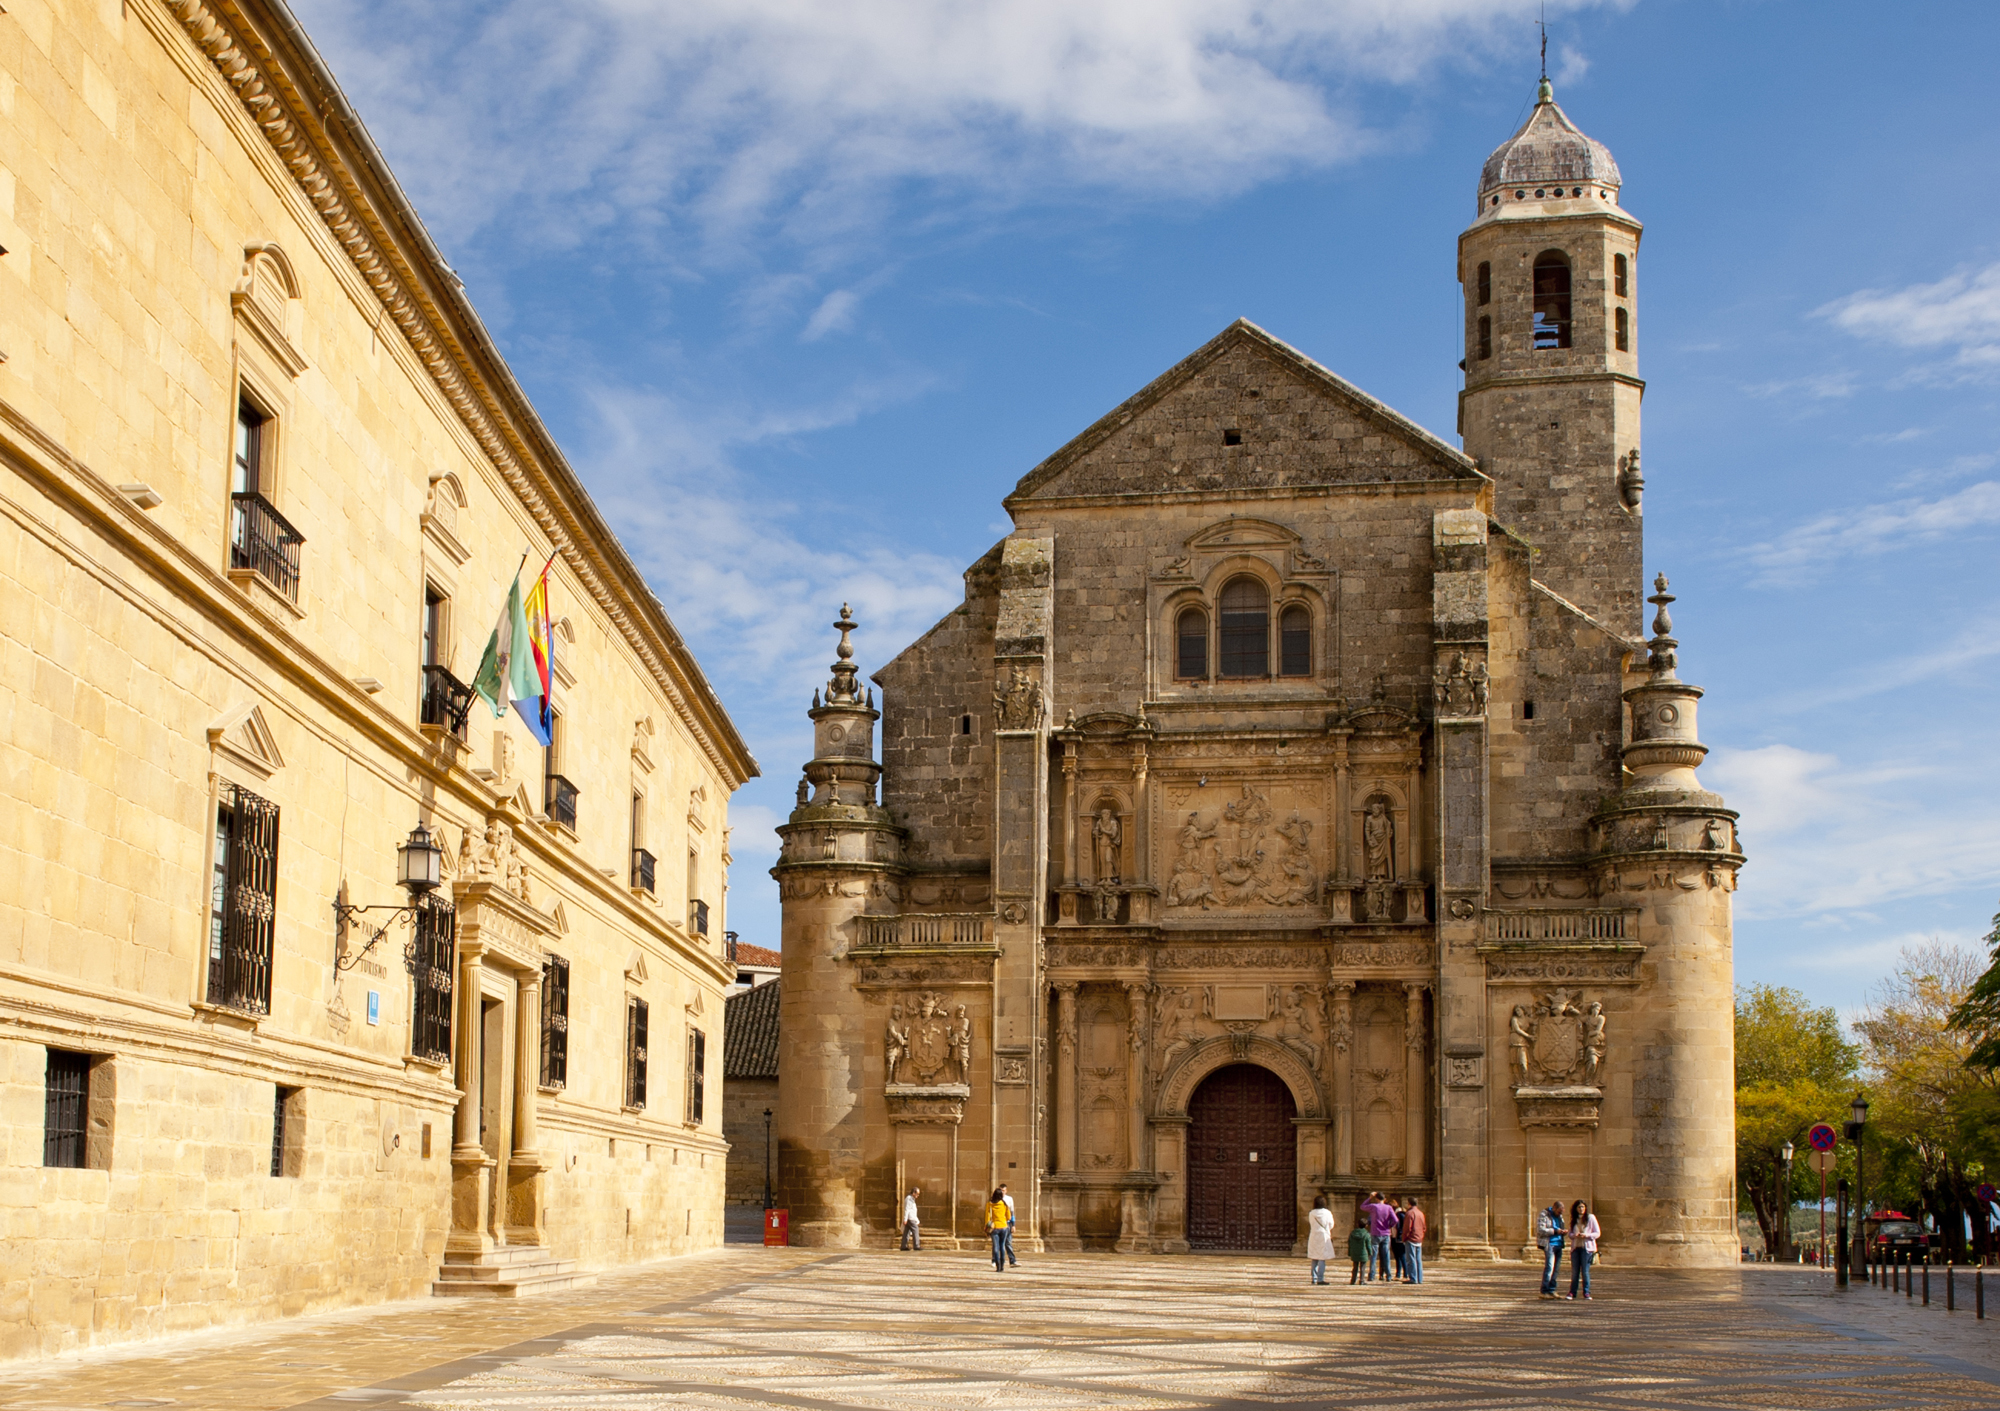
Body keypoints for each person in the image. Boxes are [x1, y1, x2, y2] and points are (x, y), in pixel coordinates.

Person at [1567, 1199, 1600, 1300]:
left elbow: (1597, 1233)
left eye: (1583, 1207)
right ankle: (1572, 1292)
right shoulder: (1574, 1219)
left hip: (1587, 1249)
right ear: (1576, 1209)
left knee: (1585, 1271)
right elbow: (1570, 1234)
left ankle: (1586, 1292)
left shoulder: (1591, 1218)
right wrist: (1574, 1235)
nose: (1581, 1209)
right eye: (1579, 1207)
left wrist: (1586, 1235)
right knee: (1575, 1271)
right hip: (1576, 1248)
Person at [1367, 1192, 1399, 1283]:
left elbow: (1362, 1206)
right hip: (1386, 1233)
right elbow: (1396, 1220)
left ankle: (1372, 1275)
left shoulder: (1373, 1207)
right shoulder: (1388, 1207)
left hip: (1375, 1233)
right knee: (1386, 1255)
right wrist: (1389, 1225)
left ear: (1376, 1199)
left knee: (1373, 1256)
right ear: (1384, 1199)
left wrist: (1370, 1197)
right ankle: (1388, 1275)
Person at [1537, 1200, 1567, 1297]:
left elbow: (1560, 1227)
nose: (1560, 1214)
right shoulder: (1544, 1214)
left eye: (1561, 1212)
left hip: (1559, 1243)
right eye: (1558, 1211)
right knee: (1549, 1267)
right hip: (1549, 1243)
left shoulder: (1559, 1216)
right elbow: (1540, 1230)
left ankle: (1552, 1289)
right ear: (1554, 1208)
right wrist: (1555, 1231)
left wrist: (1563, 1232)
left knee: (1556, 1268)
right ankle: (1544, 1291)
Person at [1306, 1194, 1336, 1285]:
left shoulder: (1311, 1213)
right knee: (1322, 1258)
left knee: (1314, 1257)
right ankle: (1320, 1278)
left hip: (1314, 1235)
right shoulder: (1327, 1213)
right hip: (1323, 1235)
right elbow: (1331, 1224)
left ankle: (1314, 1278)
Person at [985, 1188, 1011, 1272]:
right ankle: (1002, 1265)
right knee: (1002, 1246)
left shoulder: (990, 1204)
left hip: (995, 1227)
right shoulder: (1004, 1204)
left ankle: (998, 1265)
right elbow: (1009, 1217)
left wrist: (986, 1228)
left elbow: (987, 1218)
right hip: (1004, 1226)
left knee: (996, 1247)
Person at [1401, 1197, 1427, 1284]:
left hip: (1411, 1238)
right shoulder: (1420, 1213)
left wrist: (1404, 1237)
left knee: (1411, 1259)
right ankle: (1420, 1278)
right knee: (1418, 1259)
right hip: (1419, 1238)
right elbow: (1424, 1227)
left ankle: (1413, 1278)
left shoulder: (1410, 1213)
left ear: (1409, 1203)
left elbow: (1407, 1228)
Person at [1347, 1209, 1373, 1285]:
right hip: (1363, 1253)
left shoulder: (1352, 1233)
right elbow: (1368, 1245)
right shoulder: (1366, 1234)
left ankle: (1353, 1280)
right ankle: (1361, 1280)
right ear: (1366, 1225)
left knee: (1355, 1267)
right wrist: (1370, 1252)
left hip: (1354, 1253)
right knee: (1362, 1268)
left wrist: (1349, 1252)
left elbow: (1350, 1243)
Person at [999, 1182, 1019, 1266]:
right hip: (999, 1224)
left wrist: (1013, 1225)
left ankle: (1012, 1260)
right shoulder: (996, 1199)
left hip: (1007, 1224)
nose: (1002, 1192)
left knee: (1008, 1242)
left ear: (1006, 1190)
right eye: (1000, 1190)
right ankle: (997, 1260)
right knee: (999, 1243)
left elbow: (1012, 1212)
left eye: (1003, 1190)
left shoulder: (1009, 1199)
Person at [1388, 1197, 1406, 1279]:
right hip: (1393, 1237)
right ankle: (1398, 1274)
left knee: (1402, 1256)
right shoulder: (1394, 1214)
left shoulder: (1400, 1214)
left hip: (1398, 1237)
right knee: (1397, 1256)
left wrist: (1400, 1235)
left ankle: (1406, 1273)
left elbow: (1402, 1226)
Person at [900, 1186, 921, 1251]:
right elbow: (907, 1209)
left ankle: (903, 1246)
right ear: (913, 1193)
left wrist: (917, 1220)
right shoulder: (909, 1199)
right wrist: (905, 1219)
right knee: (916, 1230)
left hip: (911, 1218)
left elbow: (913, 1211)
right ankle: (916, 1246)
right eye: (917, 1194)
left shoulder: (912, 1199)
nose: (918, 1195)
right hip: (910, 1219)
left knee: (906, 1232)